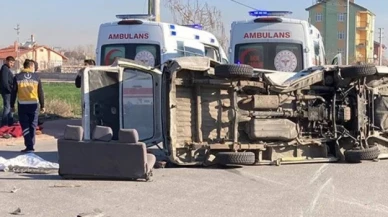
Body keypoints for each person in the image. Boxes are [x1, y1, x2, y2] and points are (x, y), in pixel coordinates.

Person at [10, 59, 45, 153]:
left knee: (25, 125)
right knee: (33, 125)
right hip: (34, 104)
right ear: (30, 66)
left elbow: (13, 92)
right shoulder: (36, 77)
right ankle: (31, 145)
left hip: (22, 105)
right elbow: (40, 92)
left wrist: (11, 105)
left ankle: (29, 146)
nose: (34, 68)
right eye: (33, 66)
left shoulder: (17, 77)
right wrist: (42, 105)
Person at [0, 56, 16, 127]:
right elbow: (4, 82)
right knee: (7, 107)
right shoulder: (5, 69)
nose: (12, 64)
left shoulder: (7, 69)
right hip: (6, 92)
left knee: (9, 107)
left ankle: (10, 121)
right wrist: (10, 90)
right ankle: (4, 124)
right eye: (11, 62)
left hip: (8, 91)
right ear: (6, 61)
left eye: (13, 63)